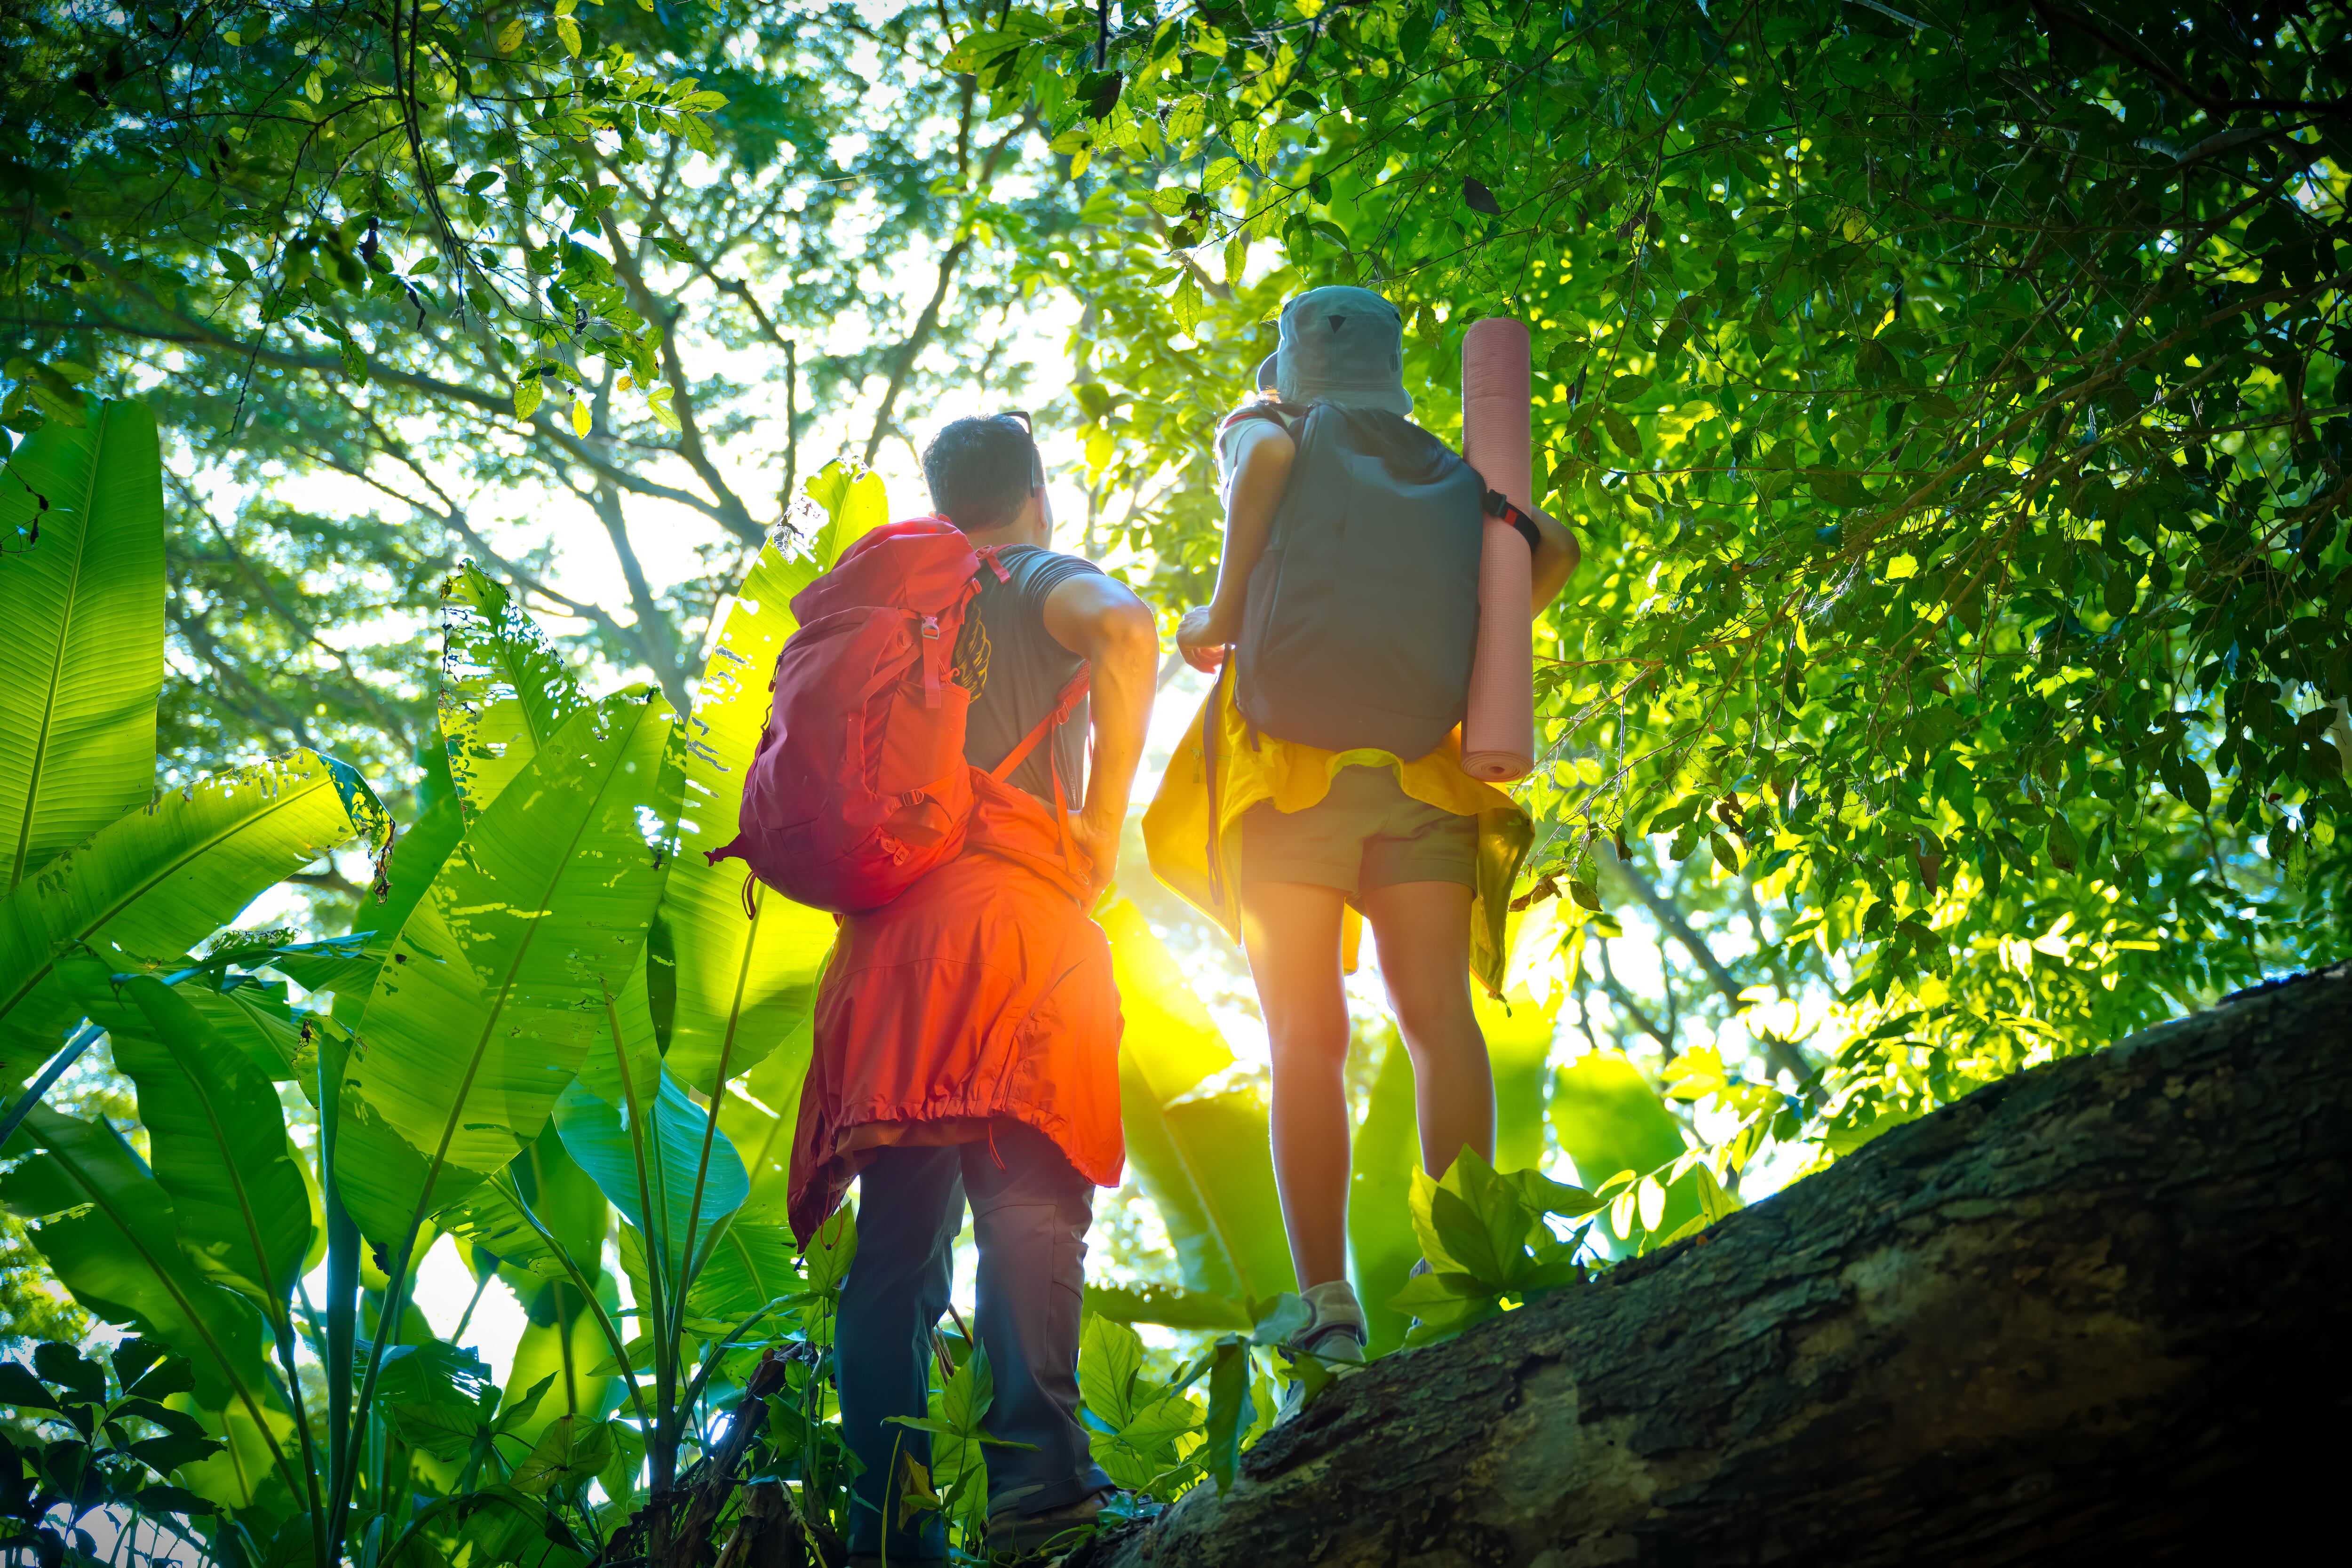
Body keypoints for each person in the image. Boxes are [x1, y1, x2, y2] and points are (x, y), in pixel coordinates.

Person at [1146, 287, 1579, 1368]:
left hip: (1286, 778)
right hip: (1422, 781)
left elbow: (1260, 462)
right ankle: (1467, 1267)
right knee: (1438, 1018)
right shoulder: (1449, 471)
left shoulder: (1271, 424)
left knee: (1305, 1034)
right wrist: (1474, 645)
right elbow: (1557, 550)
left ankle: (1326, 1303)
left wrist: (1220, 613)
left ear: (1290, 367)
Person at [786, 414, 1159, 1565]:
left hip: (884, 952)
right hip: (1008, 934)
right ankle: (1041, 1494)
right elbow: (1127, 626)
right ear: (1037, 494)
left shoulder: (901, 604)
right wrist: (1101, 821)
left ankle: (888, 1533)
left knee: (898, 1249)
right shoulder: (1031, 573)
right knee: (1029, 1203)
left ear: (941, 505)